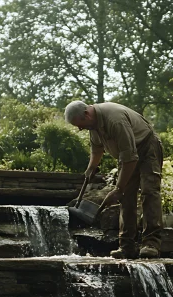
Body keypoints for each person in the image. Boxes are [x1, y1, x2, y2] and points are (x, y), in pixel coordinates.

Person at [64, 100, 164, 259]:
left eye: (80, 124)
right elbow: (97, 149)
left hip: (146, 148)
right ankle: (126, 247)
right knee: (126, 199)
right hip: (127, 155)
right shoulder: (93, 124)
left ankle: (151, 244)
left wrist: (118, 188)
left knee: (149, 192)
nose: (80, 128)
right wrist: (91, 168)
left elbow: (131, 158)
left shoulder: (115, 120)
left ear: (86, 113)